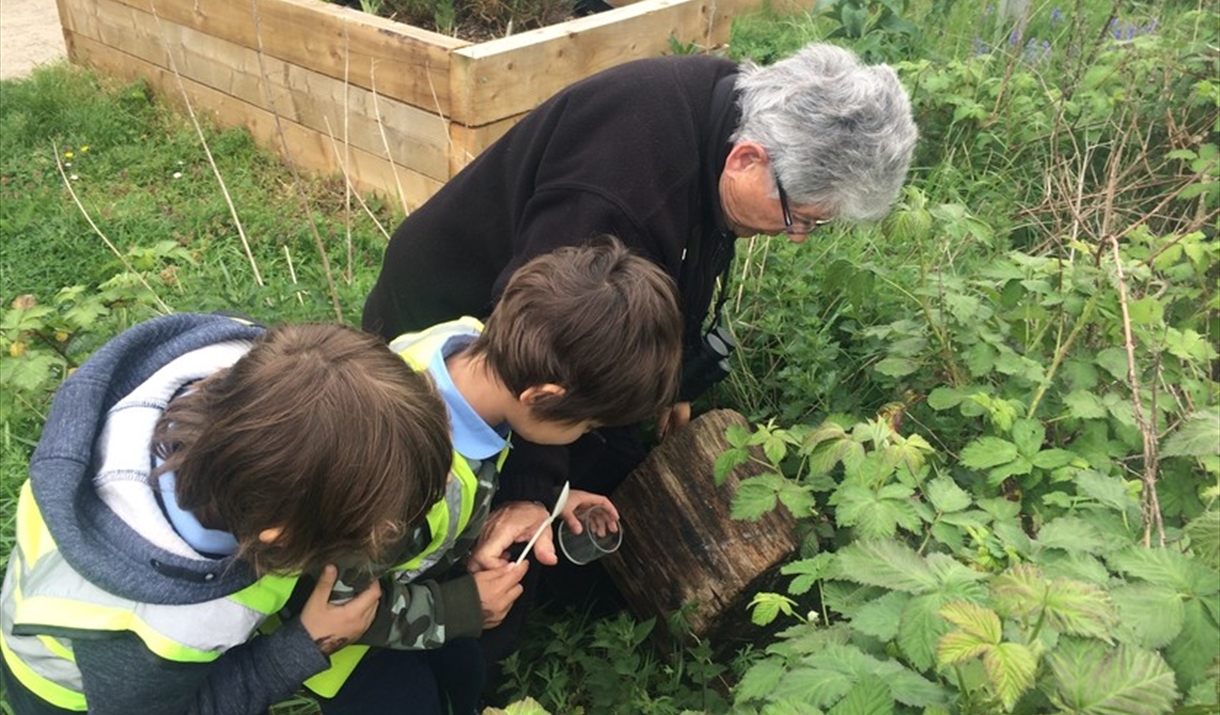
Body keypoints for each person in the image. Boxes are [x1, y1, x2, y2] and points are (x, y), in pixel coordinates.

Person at [361, 42, 918, 683]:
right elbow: (543, 361)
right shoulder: (609, 200)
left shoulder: (729, 107)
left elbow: (701, 238)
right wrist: (531, 494)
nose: (796, 237)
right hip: (459, 336)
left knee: (609, 455)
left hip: (549, 357)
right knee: (499, 553)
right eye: (801, 219)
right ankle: (462, 635)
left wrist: (669, 376)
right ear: (747, 159)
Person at [0, 314, 452, 715]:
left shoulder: (253, 362)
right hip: (67, 693)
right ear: (279, 538)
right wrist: (303, 645)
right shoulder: (147, 631)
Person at [312, 236, 683, 714]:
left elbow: (472, 469)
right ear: (542, 396)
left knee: (466, 674)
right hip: (352, 648)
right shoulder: (396, 473)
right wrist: (459, 608)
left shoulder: (465, 345)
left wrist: (550, 500)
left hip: (419, 584)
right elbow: (333, 610)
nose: (585, 434)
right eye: (587, 425)